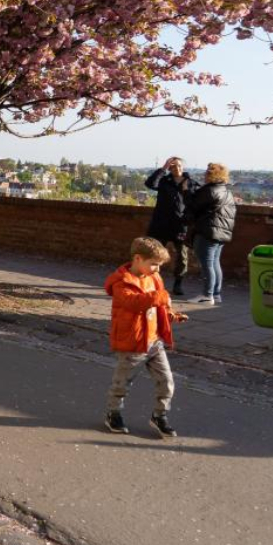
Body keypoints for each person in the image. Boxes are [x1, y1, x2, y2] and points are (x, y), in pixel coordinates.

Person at [103, 237, 189, 438]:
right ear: (138, 259)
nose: (157, 269)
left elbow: (160, 306)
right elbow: (133, 303)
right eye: (154, 264)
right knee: (122, 383)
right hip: (132, 342)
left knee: (167, 381)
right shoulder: (121, 282)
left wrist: (171, 315)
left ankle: (160, 415)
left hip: (154, 341)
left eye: (159, 265)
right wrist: (158, 297)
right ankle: (113, 413)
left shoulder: (154, 279)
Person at [144, 157, 199, 295]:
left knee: (182, 255)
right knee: (154, 253)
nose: (177, 168)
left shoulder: (190, 183)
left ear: (183, 167)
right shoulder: (164, 181)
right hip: (161, 223)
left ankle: (178, 283)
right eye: (173, 166)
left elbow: (196, 203)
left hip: (180, 225)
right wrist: (163, 168)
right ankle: (153, 281)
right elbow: (150, 184)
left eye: (179, 165)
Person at [187, 162, 236, 305]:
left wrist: (186, 191)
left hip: (207, 231)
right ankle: (216, 294)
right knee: (214, 263)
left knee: (207, 264)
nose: (205, 175)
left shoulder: (209, 190)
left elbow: (192, 206)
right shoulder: (226, 191)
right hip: (221, 232)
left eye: (207, 172)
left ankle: (207, 295)